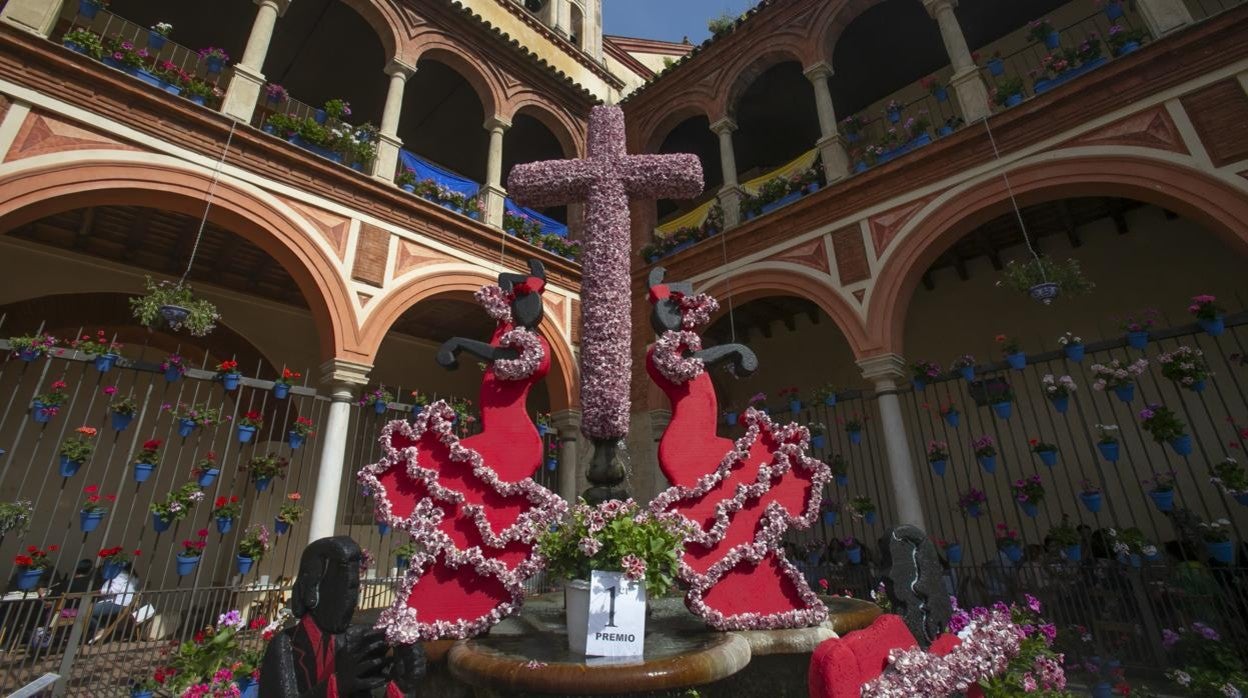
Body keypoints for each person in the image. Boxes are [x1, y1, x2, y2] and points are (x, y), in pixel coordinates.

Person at [260, 536, 423, 697]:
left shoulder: (358, 641)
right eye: (342, 588)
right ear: (311, 590)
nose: (351, 601)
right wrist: (337, 685)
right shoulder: (285, 645)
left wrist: (401, 686)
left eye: (354, 588)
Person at [89, 563, 137, 635]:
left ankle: (100, 628)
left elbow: (114, 591)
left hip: (118, 603)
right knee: (91, 609)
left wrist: (101, 591)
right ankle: (97, 629)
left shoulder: (121, 575)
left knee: (87, 611)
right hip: (123, 603)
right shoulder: (132, 576)